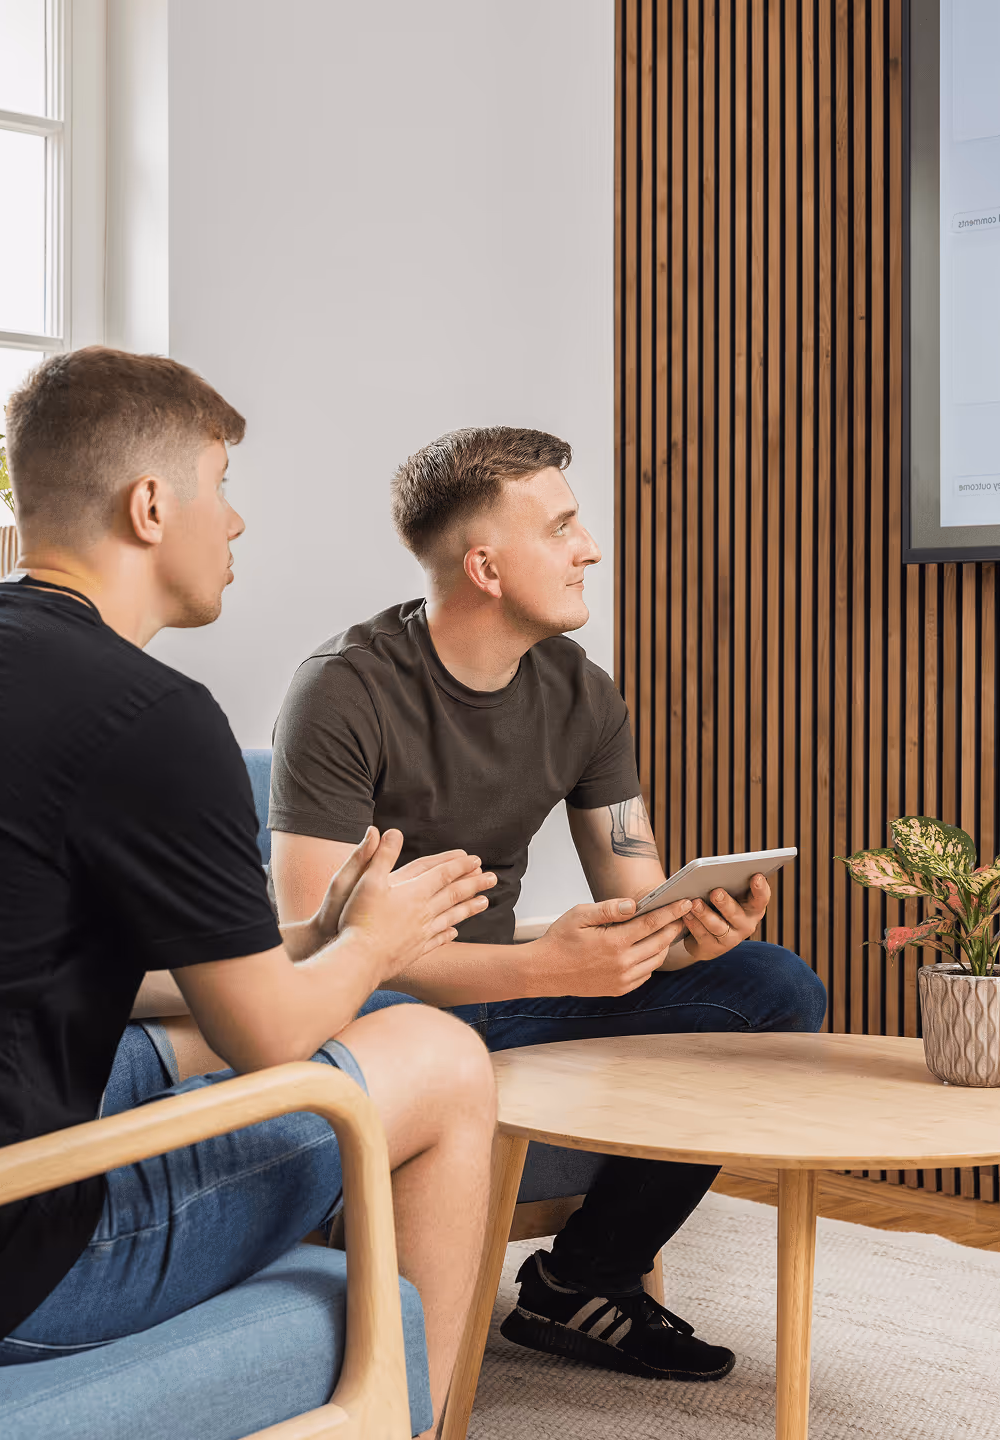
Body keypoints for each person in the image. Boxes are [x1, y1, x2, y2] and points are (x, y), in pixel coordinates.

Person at [0, 349, 497, 1440]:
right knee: (442, 1061)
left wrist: (314, 935)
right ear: (152, 504)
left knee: (238, 1036)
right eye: (222, 484)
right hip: (8, 1261)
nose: (239, 523)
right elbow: (269, 1038)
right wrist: (381, 939)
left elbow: (36, 969)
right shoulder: (150, 715)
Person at [267, 426, 828, 1384]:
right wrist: (545, 963)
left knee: (774, 988)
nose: (590, 548)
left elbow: (634, 893)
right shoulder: (345, 689)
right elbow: (313, 961)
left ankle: (583, 1282)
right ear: (485, 565)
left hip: (502, 995)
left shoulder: (583, 695)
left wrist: (688, 936)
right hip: (383, 1010)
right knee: (394, 1014)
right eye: (562, 526)